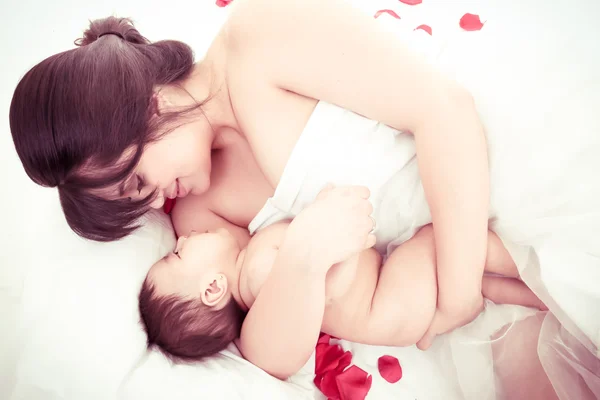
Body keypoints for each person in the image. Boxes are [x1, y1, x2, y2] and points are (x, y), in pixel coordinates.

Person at [9, 0, 600, 396]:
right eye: (136, 203)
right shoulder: (200, 213)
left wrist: (460, 290)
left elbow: (442, 111)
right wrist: (303, 259)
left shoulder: (255, 39)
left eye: (137, 181)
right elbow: (264, 341)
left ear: (144, 108)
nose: (156, 199)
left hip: (494, 172)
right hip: (441, 272)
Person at [139, 187, 546, 370]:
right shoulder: (261, 273)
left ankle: (532, 295)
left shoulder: (258, 274)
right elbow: (324, 287)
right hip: (387, 302)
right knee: (445, 240)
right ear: (213, 288)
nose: (185, 237)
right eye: (178, 253)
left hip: (391, 304)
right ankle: (536, 272)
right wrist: (344, 247)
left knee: (475, 281)